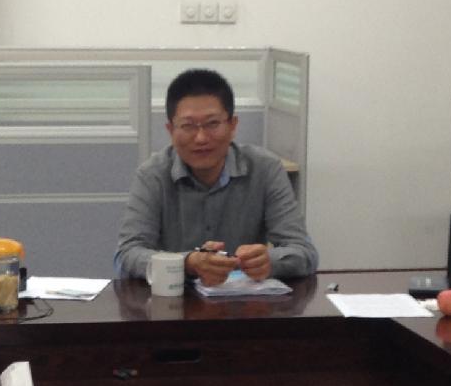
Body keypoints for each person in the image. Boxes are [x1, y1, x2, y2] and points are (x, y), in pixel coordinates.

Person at [114, 67, 319, 285]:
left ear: (232, 125)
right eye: (188, 126)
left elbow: (304, 252)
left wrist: (269, 261)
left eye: (212, 124)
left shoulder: (265, 169)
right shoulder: (152, 175)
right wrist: (187, 263)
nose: (201, 138)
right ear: (170, 130)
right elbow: (126, 256)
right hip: (172, 300)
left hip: (244, 302)